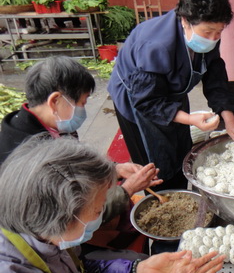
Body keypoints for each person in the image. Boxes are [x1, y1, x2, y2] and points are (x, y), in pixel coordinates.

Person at [0, 136, 225, 273]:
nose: (100, 217)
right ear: (63, 219)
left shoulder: (46, 234)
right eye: (98, 210)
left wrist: (139, 271)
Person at [0, 56, 162, 251]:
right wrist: (126, 190)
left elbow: (77, 173)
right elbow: (72, 218)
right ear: (55, 100)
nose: (83, 110)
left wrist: (114, 169)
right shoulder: (31, 159)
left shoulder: (55, 125)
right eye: (83, 103)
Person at [108, 0, 234, 191]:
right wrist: (191, 119)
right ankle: (160, 197)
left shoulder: (208, 35)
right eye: (208, 32)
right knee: (155, 164)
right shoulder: (155, 45)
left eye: (219, 32)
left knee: (180, 147)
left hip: (172, 91)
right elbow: (148, 102)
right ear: (185, 21)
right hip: (139, 99)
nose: (213, 38)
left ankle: (181, 186)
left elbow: (215, 77)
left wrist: (229, 119)